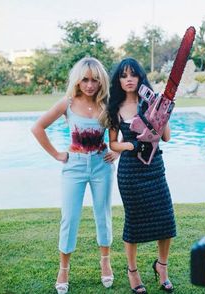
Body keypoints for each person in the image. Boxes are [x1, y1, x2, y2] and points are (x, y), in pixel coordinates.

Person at [31, 57, 118, 294]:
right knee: (69, 218)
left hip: (102, 166)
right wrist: (56, 154)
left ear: (102, 81)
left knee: (104, 215)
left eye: (95, 80)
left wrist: (116, 154)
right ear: (77, 81)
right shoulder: (67, 103)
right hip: (74, 168)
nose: (90, 85)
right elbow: (37, 127)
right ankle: (63, 269)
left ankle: (105, 262)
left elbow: (115, 140)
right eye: (85, 80)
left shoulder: (108, 105)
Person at [107, 57, 176, 293]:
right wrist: (129, 146)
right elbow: (113, 145)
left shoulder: (150, 102)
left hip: (155, 169)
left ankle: (162, 266)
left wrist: (162, 110)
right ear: (119, 80)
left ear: (140, 78)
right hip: (130, 174)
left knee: (166, 218)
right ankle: (132, 271)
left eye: (133, 75)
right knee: (134, 223)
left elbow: (166, 137)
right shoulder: (115, 107)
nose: (128, 79)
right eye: (124, 75)